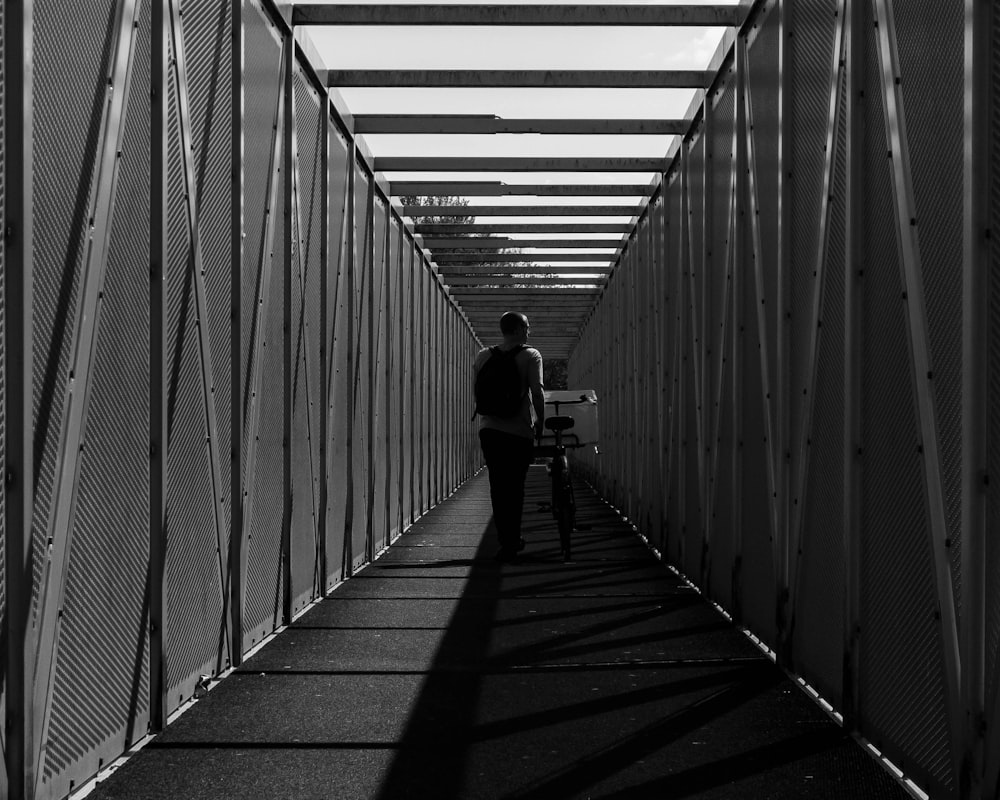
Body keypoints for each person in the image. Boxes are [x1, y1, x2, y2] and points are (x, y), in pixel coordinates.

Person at [474, 311, 545, 562]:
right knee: (515, 487)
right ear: (516, 330)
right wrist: (540, 422)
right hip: (518, 431)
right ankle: (512, 541)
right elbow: (537, 392)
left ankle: (505, 539)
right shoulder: (531, 355)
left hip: (489, 430)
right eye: (526, 327)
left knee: (498, 485)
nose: (529, 331)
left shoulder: (484, 355)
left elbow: (478, 392)